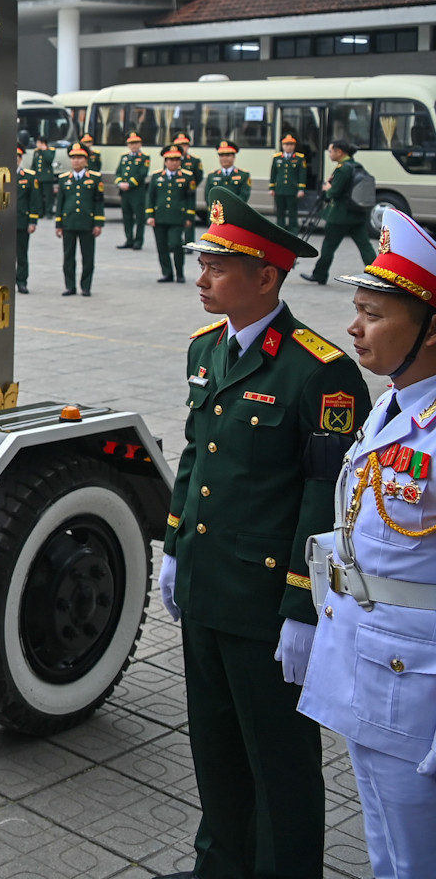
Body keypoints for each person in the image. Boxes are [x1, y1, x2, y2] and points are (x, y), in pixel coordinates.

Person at [159, 190, 364, 879]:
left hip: (267, 603)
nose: (202, 278)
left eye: (217, 266)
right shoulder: (206, 348)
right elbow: (197, 454)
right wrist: (173, 546)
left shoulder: (320, 371)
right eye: (202, 263)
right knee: (214, 748)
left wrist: (303, 611)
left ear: (266, 278)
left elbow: (326, 497)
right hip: (207, 585)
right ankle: (221, 867)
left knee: (279, 761)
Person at [301, 209, 436, 879]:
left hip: (418, 691)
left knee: (416, 859)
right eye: (357, 308)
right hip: (373, 667)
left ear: (431, 331)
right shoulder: (393, 404)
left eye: (374, 313)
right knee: (386, 844)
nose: (354, 327)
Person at [302, 140, 376, 285]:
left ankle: (320, 275)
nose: (329, 154)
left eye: (331, 151)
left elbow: (334, 193)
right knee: (365, 246)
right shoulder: (356, 166)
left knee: (328, 247)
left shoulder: (342, 169)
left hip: (339, 216)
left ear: (339, 152)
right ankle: (379, 274)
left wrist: (327, 188)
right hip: (357, 214)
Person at [55, 144, 104, 297]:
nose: (76, 161)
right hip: (69, 222)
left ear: (86, 160)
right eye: (73, 158)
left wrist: (98, 223)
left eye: (79, 158)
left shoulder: (95, 178)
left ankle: (86, 286)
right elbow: (60, 204)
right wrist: (58, 224)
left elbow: (98, 202)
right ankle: (70, 286)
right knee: (68, 257)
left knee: (88, 257)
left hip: (87, 223)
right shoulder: (64, 179)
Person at [147, 146, 199, 284]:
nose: (174, 162)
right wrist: (150, 215)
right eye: (171, 160)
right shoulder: (157, 176)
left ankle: (180, 272)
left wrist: (189, 217)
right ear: (165, 161)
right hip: (160, 217)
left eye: (177, 160)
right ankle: (167, 273)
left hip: (177, 217)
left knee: (176, 244)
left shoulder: (187, 177)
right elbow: (151, 197)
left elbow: (190, 199)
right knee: (161, 246)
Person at [115, 132, 150, 249]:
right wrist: (120, 183)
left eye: (136, 143)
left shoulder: (144, 157)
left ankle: (138, 240)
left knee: (139, 217)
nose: (134, 146)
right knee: (127, 216)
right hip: (125, 192)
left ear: (140, 144)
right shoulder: (124, 157)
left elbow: (142, 174)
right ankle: (129, 239)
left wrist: (130, 184)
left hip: (137, 192)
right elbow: (119, 172)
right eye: (131, 143)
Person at [269, 133, 308, 232]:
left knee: (292, 212)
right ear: (282, 146)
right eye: (286, 144)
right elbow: (273, 173)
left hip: (292, 190)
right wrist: (272, 188)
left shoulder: (299, 158)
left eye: (291, 144)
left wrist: (301, 189)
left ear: (294, 146)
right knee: (280, 212)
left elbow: (302, 174)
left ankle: (293, 230)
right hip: (280, 189)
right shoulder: (277, 157)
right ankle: (280, 230)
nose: (288, 147)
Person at [16, 158, 41, 294]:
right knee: (2, 255)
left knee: (22, 254)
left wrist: (32, 221)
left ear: (20, 159)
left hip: (21, 221)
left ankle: (21, 281)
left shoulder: (29, 177)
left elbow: (34, 201)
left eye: (17, 156)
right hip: (3, 222)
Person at [204, 140, 251, 207]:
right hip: (217, 214)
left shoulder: (243, 175)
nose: (224, 158)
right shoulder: (212, 175)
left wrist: (228, 207)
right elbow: (208, 196)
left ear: (234, 157)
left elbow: (244, 196)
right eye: (221, 155)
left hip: (234, 212)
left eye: (228, 155)